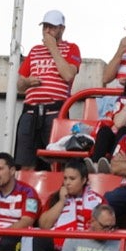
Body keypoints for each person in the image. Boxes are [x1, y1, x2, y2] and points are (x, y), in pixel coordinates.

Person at [15, 10, 81, 168]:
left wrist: (53, 49)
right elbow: (19, 85)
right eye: (45, 26)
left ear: (61, 29)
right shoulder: (35, 50)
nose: (47, 31)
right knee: (25, 161)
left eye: (51, 27)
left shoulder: (72, 48)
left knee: (56, 161)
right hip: (30, 112)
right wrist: (28, 82)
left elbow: (68, 75)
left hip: (55, 112)